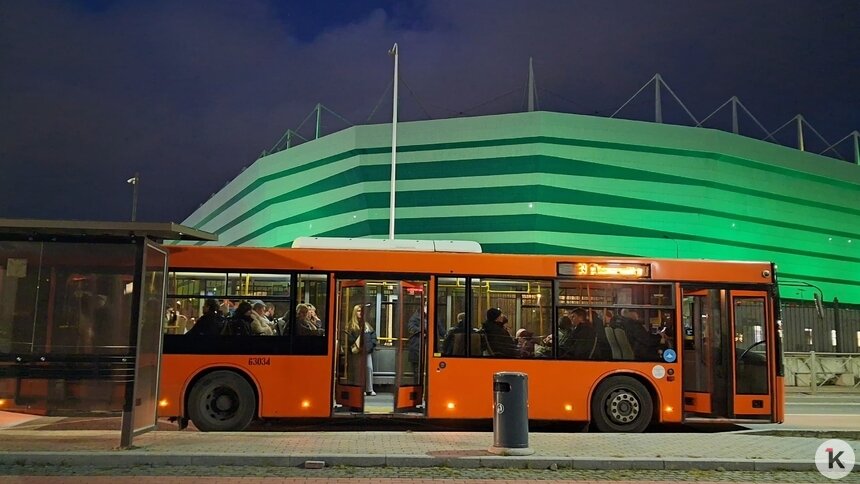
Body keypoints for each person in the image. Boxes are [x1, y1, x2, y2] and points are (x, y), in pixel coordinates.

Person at [363, 317, 378, 396]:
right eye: (358, 311)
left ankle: (369, 389)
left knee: (369, 368)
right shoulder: (353, 325)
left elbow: (373, 336)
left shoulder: (367, 325)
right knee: (359, 371)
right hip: (358, 351)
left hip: (367, 351)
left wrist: (372, 345)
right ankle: (361, 389)